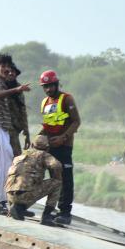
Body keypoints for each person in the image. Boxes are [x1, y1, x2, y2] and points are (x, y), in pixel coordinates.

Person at [0, 53, 29, 215]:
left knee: (7, 163)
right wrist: (17, 89)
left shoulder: (4, 83)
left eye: (8, 67)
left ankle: (1, 200)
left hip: (1, 128)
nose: (5, 69)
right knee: (0, 166)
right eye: (2, 66)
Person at [39, 70, 82, 224]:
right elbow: (47, 124)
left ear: (56, 84)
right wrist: (38, 137)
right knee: (54, 178)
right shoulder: (44, 102)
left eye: (51, 85)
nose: (48, 89)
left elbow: (76, 121)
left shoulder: (67, 99)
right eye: (45, 87)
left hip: (64, 146)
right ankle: (53, 209)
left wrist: (64, 137)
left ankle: (65, 212)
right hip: (50, 146)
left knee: (66, 179)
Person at [5, 134, 63, 225]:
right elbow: (57, 165)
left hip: (9, 194)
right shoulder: (43, 154)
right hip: (26, 195)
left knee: (20, 182)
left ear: (32, 145)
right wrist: (57, 176)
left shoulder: (22, 154)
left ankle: (17, 208)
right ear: (47, 148)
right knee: (57, 183)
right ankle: (46, 216)